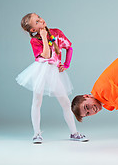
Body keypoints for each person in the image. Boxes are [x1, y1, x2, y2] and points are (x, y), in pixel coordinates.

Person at [16, 13, 88, 144]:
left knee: (65, 102)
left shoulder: (57, 33)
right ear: (33, 30)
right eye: (37, 21)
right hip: (41, 71)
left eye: (39, 17)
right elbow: (46, 55)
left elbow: (69, 47)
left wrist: (66, 64)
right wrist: (43, 37)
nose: (41, 20)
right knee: (37, 101)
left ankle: (74, 132)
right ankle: (36, 134)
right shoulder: (34, 40)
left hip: (54, 71)